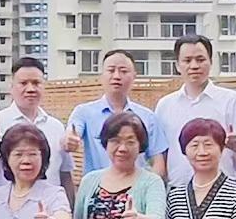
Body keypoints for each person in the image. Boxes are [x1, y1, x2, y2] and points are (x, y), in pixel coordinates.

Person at [154, 34, 236, 185]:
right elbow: (159, 155)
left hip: (223, 189)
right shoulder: (165, 105)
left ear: (211, 62)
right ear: (177, 65)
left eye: (200, 60)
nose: (194, 66)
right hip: (178, 190)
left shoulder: (231, 100)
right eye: (187, 60)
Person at [0, 56, 75, 200]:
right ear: (11, 87)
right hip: (8, 206)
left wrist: (70, 208)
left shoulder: (56, 126)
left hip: (48, 207)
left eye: (36, 83)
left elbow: (65, 173)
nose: (30, 89)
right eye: (23, 83)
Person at [65, 49, 164, 178]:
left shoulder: (148, 117)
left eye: (123, 71)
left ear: (134, 76)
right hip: (98, 187)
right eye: (111, 70)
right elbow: (71, 134)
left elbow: (158, 161)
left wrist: (149, 185)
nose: (116, 76)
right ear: (102, 75)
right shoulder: (84, 112)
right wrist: (70, 140)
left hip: (137, 187)